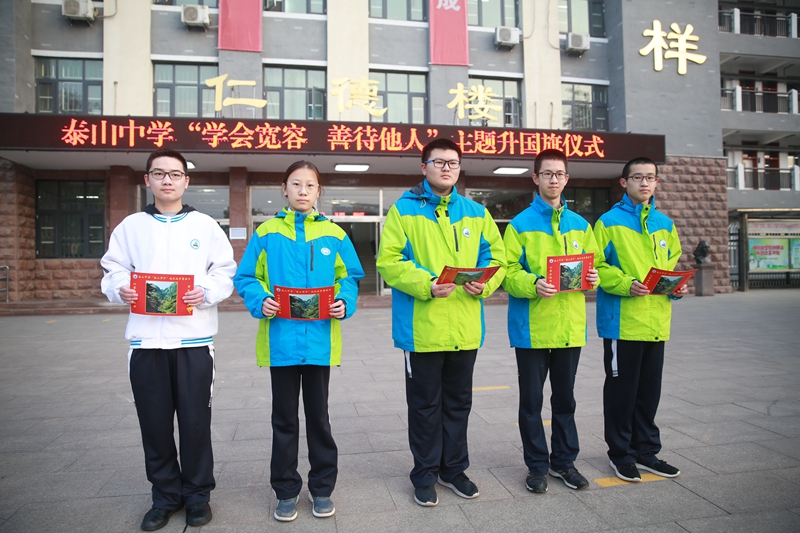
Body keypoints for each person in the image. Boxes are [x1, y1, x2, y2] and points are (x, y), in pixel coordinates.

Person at [101, 148, 236, 531]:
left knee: (195, 424)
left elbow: (225, 271)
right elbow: (113, 269)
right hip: (146, 344)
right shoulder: (130, 227)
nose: (167, 180)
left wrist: (205, 291)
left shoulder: (205, 226)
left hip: (193, 342)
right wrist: (120, 288)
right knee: (155, 425)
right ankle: (164, 497)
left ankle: (197, 497)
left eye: (175, 174)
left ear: (186, 181)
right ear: (147, 179)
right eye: (159, 173)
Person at [376, 138, 506, 507]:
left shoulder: (476, 212)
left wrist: (486, 283)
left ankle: (454, 469)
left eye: (453, 162)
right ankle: (424, 474)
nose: (447, 168)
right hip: (422, 329)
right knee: (424, 406)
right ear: (424, 167)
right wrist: (427, 284)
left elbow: (497, 257)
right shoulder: (403, 210)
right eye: (439, 162)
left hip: (465, 326)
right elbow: (389, 261)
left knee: (459, 404)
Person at [233, 161, 364, 522]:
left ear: (319, 191)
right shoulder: (267, 233)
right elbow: (246, 277)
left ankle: (322, 488)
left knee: (319, 419)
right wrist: (261, 299)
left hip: (320, 343)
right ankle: (286, 490)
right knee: (284, 420)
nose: (303, 191)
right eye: (296, 184)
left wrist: (344, 301)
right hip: (281, 343)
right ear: (284, 189)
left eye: (310, 185)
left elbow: (350, 277)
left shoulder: (334, 234)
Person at [502, 149, 600, 493]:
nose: (553, 179)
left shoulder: (581, 226)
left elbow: (593, 267)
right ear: (536, 178)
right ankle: (536, 467)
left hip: (569, 326)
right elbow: (506, 272)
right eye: (547, 173)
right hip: (531, 328)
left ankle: (564, 463)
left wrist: (593, 278)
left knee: (565, 401)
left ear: (566, 179)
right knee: (531, 403)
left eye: (559, 174)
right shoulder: (519, 225)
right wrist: (533, 283)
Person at [594, 156, 688, 483]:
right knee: (622, 393)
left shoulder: (665, 224)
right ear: (624, 182)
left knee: (649, 393)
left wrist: (675, 288)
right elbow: (597, 267)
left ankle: (646, 451)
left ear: (656, 182)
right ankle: (620, 455)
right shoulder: (608, 222)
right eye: (638, 177)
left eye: (650, 177)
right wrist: (625, 284)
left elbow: (670, 266)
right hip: (622, 323)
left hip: (656, 322)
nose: (644, 183)